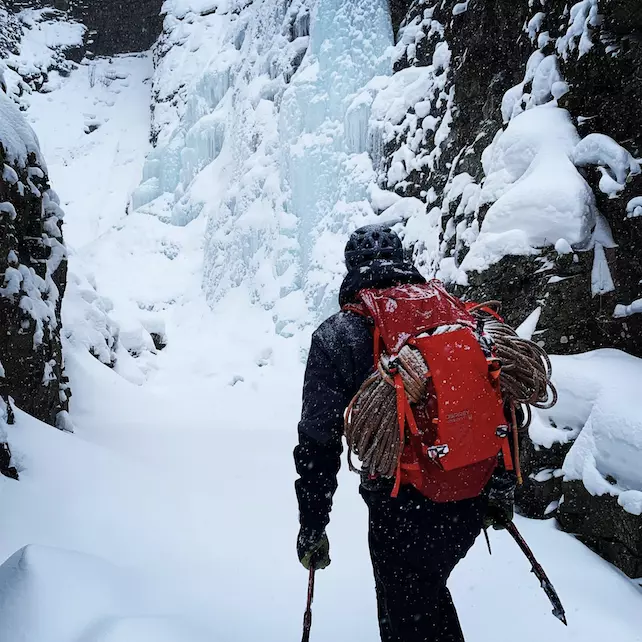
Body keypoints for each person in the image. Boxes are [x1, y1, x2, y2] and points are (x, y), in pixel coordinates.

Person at [294, 224, 516, 642]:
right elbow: (502, 400)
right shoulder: (459, 317)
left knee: (408, 617)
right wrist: (499, 487)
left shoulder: (338, 335)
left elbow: (318, 441)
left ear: (352, 269)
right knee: (426, 595)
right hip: (468, 496)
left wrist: (312, 525)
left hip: (400, 507)